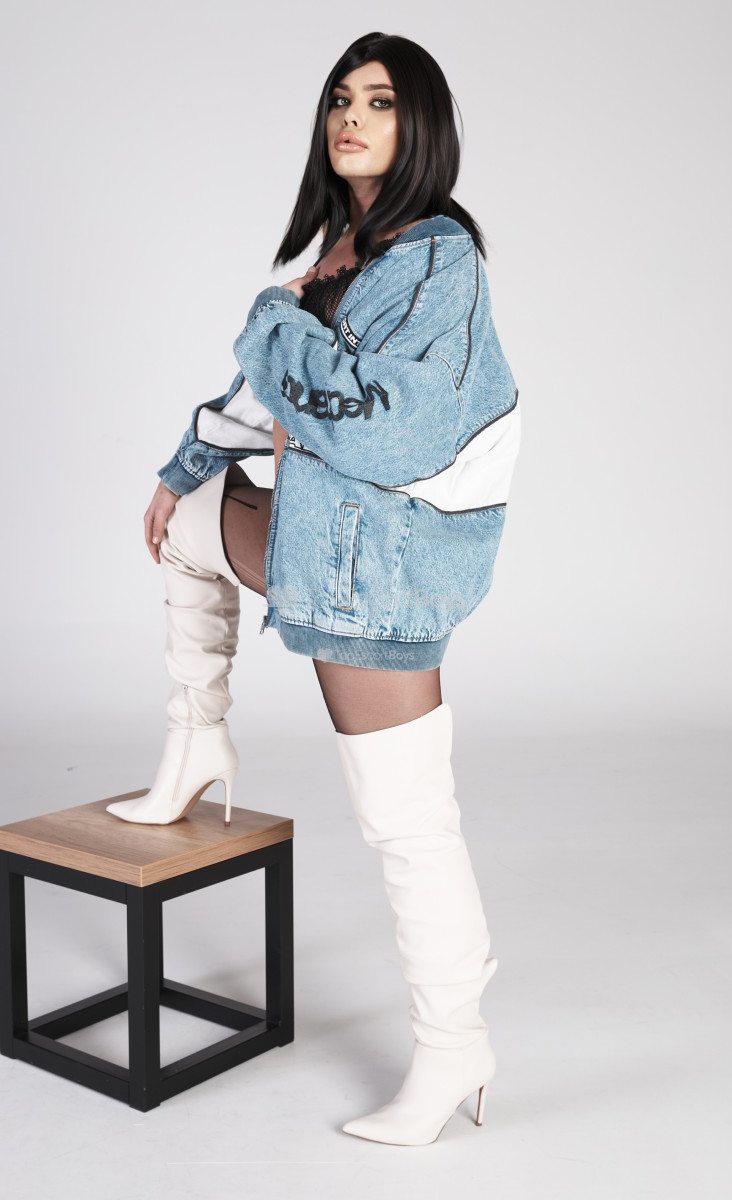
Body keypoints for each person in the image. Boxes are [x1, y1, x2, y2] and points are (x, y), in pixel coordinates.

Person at [106, 31, 521, 1146]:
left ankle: (454, 1044)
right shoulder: (352, 247)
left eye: (379, 102)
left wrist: (276, 316)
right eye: (341, 99)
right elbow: (272, 390)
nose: (351, 118)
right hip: (320, 537)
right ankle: (198, 741)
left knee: (408, 820)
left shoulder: (439, 261)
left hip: (379, 567)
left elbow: (382, 421)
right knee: (189, 527)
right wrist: (180, 470)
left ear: (419, 125)